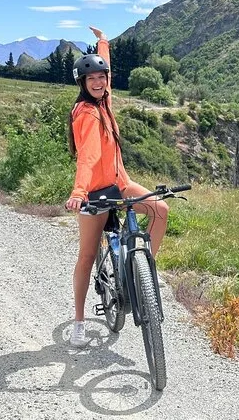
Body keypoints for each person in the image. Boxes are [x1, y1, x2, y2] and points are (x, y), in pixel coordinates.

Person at [64, 26, 169, 347]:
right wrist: (79, 192)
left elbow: (104, 69)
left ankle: (143, 274)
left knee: (160, 210)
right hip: (94, 193)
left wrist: (103, 42)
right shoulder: (86, 115)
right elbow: (88, 156)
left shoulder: (105, 100)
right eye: (92, 79)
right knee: (86, 256)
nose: (99, 82)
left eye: (102, 77)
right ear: (82, 83)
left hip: (120, 184)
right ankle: (79, 322)